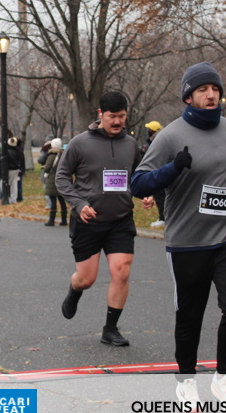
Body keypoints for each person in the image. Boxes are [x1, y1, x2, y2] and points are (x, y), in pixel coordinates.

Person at [130, 61, 226, 406]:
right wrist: (172, 168)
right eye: (203, 90)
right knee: (190, 315)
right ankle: (186, 380)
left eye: (215, 89)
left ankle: (224, 379)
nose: (211, 95)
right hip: (187, 241)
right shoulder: (170, 136)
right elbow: (139, 184)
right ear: (188, 97)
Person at [56, 92, 153, 347]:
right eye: (112, 116)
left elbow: (137, 177)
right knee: (87, 278)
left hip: (120, 220)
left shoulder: (130, 145)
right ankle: (75, 288)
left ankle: (110, 329)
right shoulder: (80, 143)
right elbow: (62, 177)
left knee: (121, 271)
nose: (118, 121)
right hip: (88, 221)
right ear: (101, 115)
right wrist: (79, 204)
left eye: (122, 116)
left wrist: (146, 193)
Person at [144, 121, 167, 228]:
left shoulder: (157, 141)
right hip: (159, 172)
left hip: (159, 172)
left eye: (149, 129)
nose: (148, 131)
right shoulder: (159, 139)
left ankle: (163, 218)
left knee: (160, 197)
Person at [42, 137, 67, 227]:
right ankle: (64, 220)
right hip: (62, 179)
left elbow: (47, 168)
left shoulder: (52, 155)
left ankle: (51, 220)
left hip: (53, 180)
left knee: (53, 200)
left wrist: (44, 167)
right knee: (62, 200)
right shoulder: (64, 155)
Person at [5, 136, 23, 204]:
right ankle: (14, 199)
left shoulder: (8, 151)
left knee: (8, 184)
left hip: (10, 169)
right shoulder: (19, 150)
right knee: (14, 184)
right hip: (16, 169)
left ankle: (9, 198)